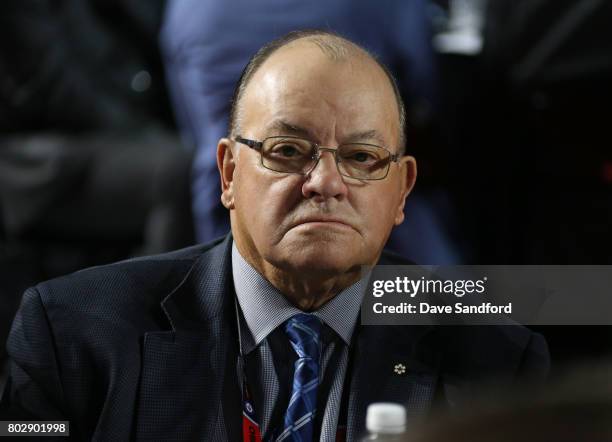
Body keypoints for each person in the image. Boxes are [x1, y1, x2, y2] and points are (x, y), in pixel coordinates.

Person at [0, 31, 549, 441]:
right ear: (229, 174)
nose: (326, 183)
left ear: (402, 190)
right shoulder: (72, 334)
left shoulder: (494, 356)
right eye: (287, 151)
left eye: (361, 157)